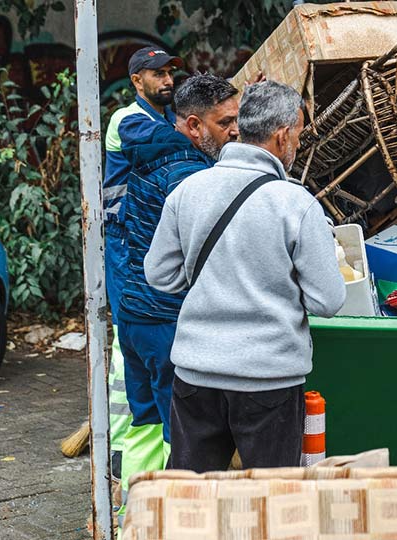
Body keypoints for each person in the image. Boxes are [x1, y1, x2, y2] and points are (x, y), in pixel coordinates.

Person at [144, 81, 346, 472]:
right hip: (267, 380)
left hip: (195, 375)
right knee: (269, 503)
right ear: (283, 135)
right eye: (299, 134)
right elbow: (328, 300)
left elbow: (159, 275)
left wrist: (210, 286)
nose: (299, 145)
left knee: (192, 501)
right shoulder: (296, 203)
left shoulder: (188, 191)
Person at [117, 74, 240, 492]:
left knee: (144, 424)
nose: (236, 131)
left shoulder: (151, 154)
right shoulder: (188, 174)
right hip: (165, 319)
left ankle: (130, 517)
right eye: (224, 123)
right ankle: (171, 518)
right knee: (182, 436)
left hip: (134, 315)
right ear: (192, 125)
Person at [102, 46, 182, 486]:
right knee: (129, 340)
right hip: (124, 243)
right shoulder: (126, 121)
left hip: (149, 244)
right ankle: (119, 452)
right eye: (158, 74)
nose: (167, 80)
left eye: (171, 72)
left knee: (136, 350)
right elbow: (160, 147)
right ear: (137, 80)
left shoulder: (170, 122)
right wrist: (201, 132)